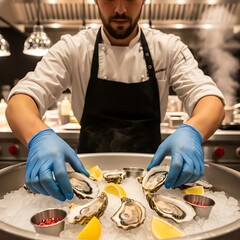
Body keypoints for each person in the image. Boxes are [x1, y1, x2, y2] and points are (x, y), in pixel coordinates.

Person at [6, 0, 225, 201]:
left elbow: (209, 98)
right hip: (89, 175)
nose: (120, 9)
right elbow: (22, 99)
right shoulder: (73, 48)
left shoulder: (168, 48)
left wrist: (193, 131)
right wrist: (38, 136)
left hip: (151, 178)